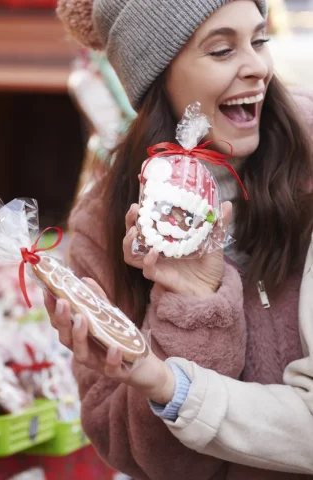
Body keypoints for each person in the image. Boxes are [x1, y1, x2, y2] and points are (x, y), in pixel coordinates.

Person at [46, 0, 313, 479]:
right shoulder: (105, 225)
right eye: (222, 50)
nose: (257, 67)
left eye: (258, 40)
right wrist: (192, 315)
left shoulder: (310, 163)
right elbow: (149, 460)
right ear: (158, 76)